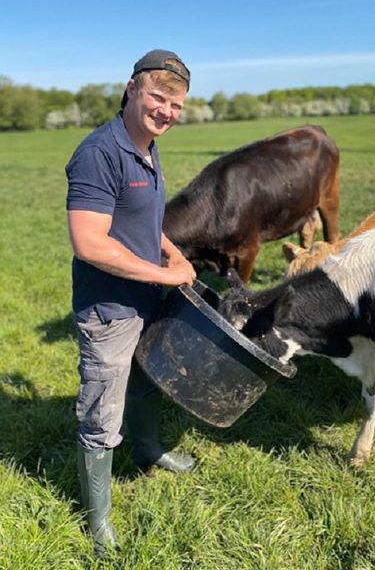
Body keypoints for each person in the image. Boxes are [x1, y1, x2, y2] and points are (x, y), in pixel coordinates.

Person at [66, 49, 197, 557]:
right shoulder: (99, 152)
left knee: (145, 381)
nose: (167, 111)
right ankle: (97, 520)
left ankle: (148, 448)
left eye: (177, 105)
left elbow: (141, 218)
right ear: (131, 88)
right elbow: (91, 243)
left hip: (147, 298)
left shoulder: (145, 146)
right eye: (158, 97)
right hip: (111, 308)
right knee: (102, 409)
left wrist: (171, 251)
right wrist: (166, 273)